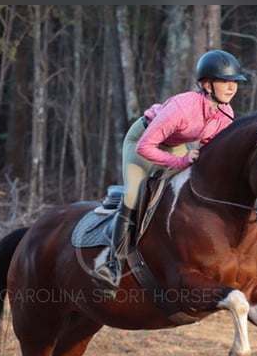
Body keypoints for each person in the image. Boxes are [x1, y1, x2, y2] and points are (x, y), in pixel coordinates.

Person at [91, 49, 247, 291]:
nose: (231, 87)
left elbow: (209, 149)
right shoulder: (183, 107)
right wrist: (182, 161)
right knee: (134, 195)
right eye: (225, 81)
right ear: (206, 84)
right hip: (142, 140)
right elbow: (146, 147)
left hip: (174, 146)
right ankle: (111, 265)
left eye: (234, 82)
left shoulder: (226, 115)